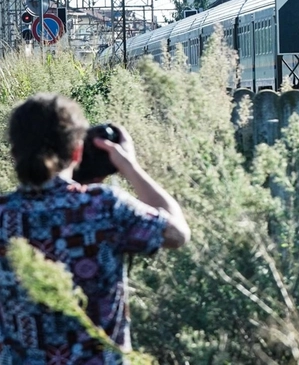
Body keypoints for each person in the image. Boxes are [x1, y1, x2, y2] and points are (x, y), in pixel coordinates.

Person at [0, 94, 190, 364]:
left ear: (14, 154)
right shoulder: (103, 206)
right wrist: (129, 166)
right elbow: (178, 232)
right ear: (77, 152)